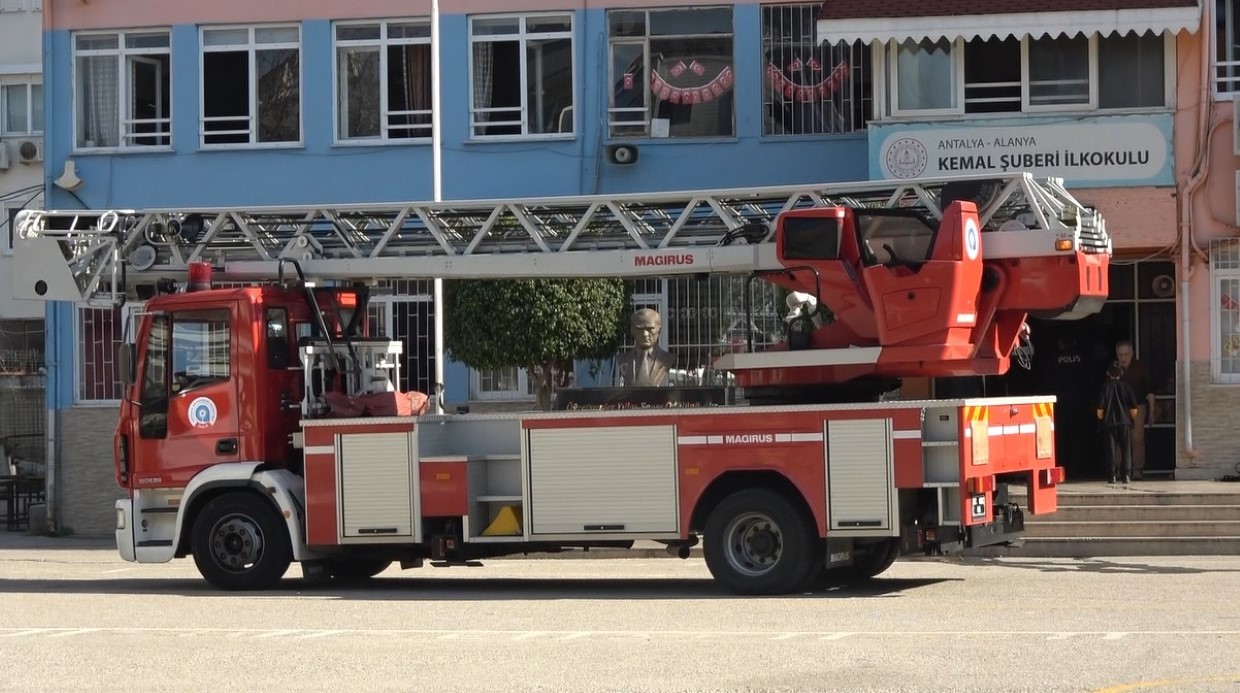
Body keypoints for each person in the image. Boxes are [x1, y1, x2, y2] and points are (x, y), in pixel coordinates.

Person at [1114, 340, 1156, 479]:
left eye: (1126, 354)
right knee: (1120, 439)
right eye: (1120, 355)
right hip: (1120, 408)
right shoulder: (1113, 369)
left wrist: (1151, 412)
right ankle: (1120, 470)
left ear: (1132, 353)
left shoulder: (1141, 368)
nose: (1123, 358)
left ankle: (1137, 469)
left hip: (1138, 406)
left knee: (1137, 438)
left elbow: (1150, 392)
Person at [1096, 362, 1139, 484]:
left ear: (1108, 374)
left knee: (1111, 449)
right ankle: (1126, 475)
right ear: (1121, 373)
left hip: (1109, 423)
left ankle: (1112, 475)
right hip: (1125, 422)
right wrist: (1131, 418)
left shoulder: (1105, 387)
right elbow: (1134, 409)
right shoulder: (1127, 387)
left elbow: (1100, 410)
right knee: (1126, 449)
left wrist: (1101, 418)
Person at [617, 308, 674, 387]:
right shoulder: (623, 359)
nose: (645, 334)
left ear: (659, 330)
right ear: (632, 331)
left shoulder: (667, 359)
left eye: (650, 329)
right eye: (639, 329)